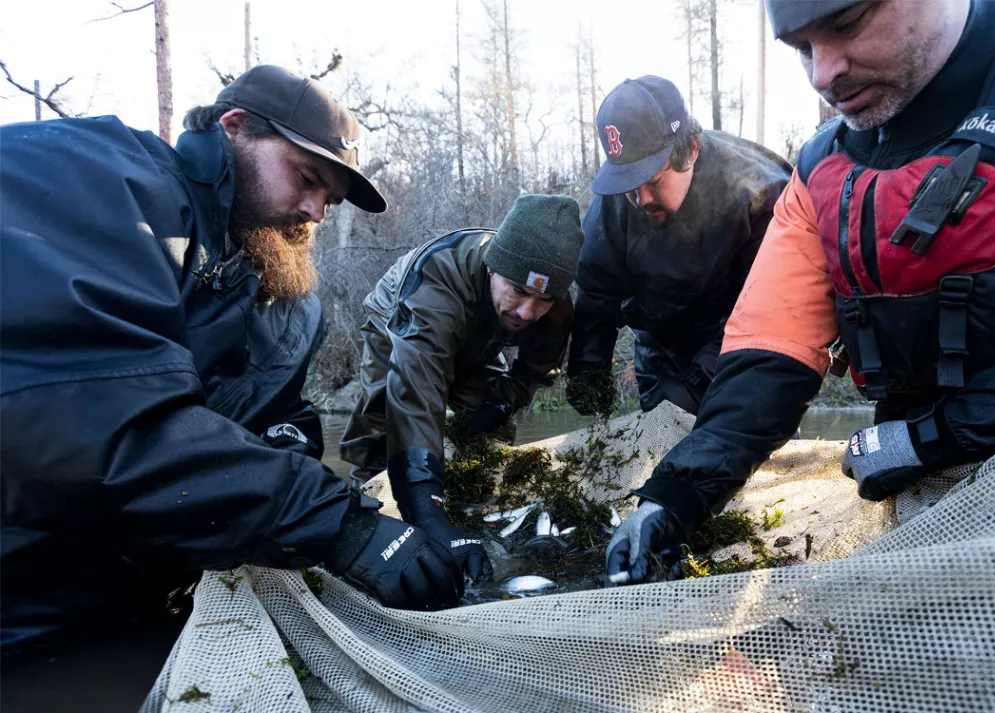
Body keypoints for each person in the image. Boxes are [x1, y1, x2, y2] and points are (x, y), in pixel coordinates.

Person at [606, 0, 995, 583]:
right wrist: (672, 495)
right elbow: (769, 354)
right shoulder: (821, 170)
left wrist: (932, 435)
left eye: (844, 25)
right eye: (802, 48)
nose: (822, 73)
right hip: (933, 506)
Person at [0, 65, 468, 669]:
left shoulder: (273, 292)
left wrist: (297, 453)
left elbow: (274, 423)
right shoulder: (105, 179)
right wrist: (339, 525)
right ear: (235, 127)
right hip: (24, 607)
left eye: (328, 198)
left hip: (140, 609)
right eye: (306, 178)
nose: (315, 212)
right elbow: (96, 424)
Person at [339, 194, 584, 583]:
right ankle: (369, 514)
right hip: (403, 318)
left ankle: (472, 509)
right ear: (492, 269)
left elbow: (533, 372)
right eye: (519, 290)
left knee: (486, 427)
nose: (527, 312)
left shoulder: (555, 307)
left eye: (543, 299)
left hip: (480, 337)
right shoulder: (436, 279)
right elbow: (417, 395)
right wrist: (426, 513)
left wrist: (500, 407)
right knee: (386, 420)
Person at [565, 75, 791, 417]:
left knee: (744, 433)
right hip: (662, 341)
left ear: (692, 151)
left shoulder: (760, 194)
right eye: (629, 186)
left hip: (750, 337)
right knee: (665, 440)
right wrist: (588, 373)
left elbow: (766, 312)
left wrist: (700, 383)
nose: (640, 198)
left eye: (653, 181)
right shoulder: (617, 198)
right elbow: (597, 292)